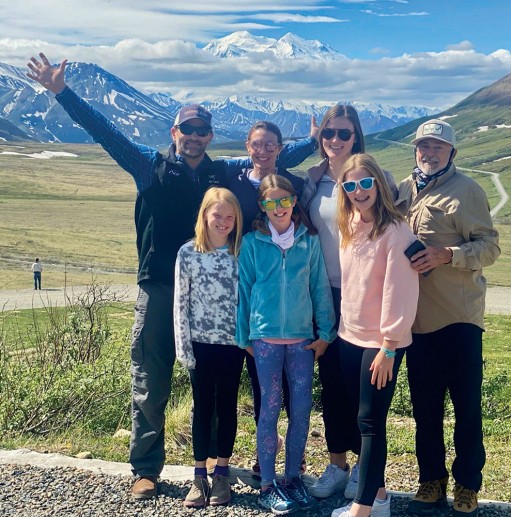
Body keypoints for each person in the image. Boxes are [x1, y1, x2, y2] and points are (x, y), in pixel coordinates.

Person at [26, 52, 318, 500]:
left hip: (216, 294)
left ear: (210, 136)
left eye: (204, 131)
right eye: (188, 130)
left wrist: (314, 144)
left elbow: (266, 163)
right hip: (161, 285)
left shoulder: (222, 170)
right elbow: (105, 132)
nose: (196, 137)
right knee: (152, 373)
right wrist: (62, 91)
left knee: (217, 382)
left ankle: (216, 470)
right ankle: (145, 467)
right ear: (174, 133)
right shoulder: (149, 165)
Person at [396, 119, 500, 516]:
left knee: (466, 408)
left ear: (452, 153)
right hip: (416, 319)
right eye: (424, 146)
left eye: (439, 147)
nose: (430, 152)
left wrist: (449, 255)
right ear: (416, 151)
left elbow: (489, 247)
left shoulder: (468, 191)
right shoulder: (403, 190)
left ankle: (467, 484)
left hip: (459, 317)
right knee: (425, 408)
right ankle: (431, 478)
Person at [301, 105, 398, 500]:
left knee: (366, 389)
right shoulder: (313, 179)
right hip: (323, 294)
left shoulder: (378, 178)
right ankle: (338, 463)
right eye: (328, 134)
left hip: (367, 297)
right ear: (319, 138)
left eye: (343, 133)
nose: (335, 141)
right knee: (333, 384)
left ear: (356, 136)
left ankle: (366, 467)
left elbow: (394, 228)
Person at [236, 175, 336, 515]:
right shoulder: (252, 243)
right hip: (263, 340)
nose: (278, 208)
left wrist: (325, 334)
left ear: (294, 201)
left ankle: (292, 478)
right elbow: (244, 292)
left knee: (302, 408)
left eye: (284, 201)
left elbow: (320, 288)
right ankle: (267, 483)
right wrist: (243, 336)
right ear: (262, 206)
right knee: (270, 409)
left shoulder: (309, 242)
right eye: (270, 202)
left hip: (303, 341)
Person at [331, 154, 419, 517]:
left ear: (379, 185)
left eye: (365, 183)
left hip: (379, 344)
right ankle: (379, 494)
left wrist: (389, 347)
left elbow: (399, 292)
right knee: (357, 417)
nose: (358, 191)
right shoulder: (348, 224)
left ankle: (362, 509)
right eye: (350, 185)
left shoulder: (396, 232)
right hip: (348, 336)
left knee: (370, 423)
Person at [229, 120, 308, 481]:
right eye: (257, 145)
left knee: (296, 394)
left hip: (295, 314)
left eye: (270, 145)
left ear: (280, 148)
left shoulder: (295, 185)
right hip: (259, 309)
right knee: (266, 392)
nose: (263, 151)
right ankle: (266, 460)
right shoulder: (234, 180)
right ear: (247, 145)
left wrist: (313, 138)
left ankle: (294, 461)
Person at [173, 188, 244, 508]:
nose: (224, 222)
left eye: (230, 217)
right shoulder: (188, 253)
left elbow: (247, 299)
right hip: (199, 345)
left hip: (232, 345)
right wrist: (183, 349)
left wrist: (247, 339)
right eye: (217, 215)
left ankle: (222, 475)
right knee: (202, 409)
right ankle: (199, 476)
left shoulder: (240, 252)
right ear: (204, 215)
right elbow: (180, 304)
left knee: (227, 407)